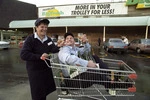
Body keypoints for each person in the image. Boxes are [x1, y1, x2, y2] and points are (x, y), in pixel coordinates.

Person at [58, 33, 132, 92]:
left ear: (74, 40)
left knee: (94, 57)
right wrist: (87, 63)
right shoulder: (64, 50)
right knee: (93, 71)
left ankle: (111, 75)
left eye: (71, 38)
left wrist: (86, 42)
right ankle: (112, 84)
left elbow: (87, 51)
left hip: (78, 75)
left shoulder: (75, 49)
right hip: (72, 81)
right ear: (65, 41)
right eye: (67, 38)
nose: (69, 39)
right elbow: (68, 59)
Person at [20, 18, 63, 100]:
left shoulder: (48, 40)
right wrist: (39, 56)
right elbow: (24, 54)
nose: (44, 29)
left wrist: (59, 46)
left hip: (46, 70)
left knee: (45, 91)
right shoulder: (30, 39)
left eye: (46, 27)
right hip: (35, 72)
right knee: (37, 94)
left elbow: (52, 49)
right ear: (36, 27)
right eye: (42, 27)